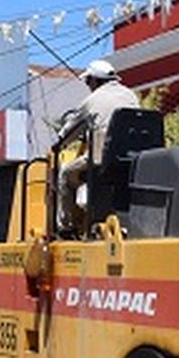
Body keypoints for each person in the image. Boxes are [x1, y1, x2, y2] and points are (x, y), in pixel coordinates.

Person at [56, 59, 139, 236]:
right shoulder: (131, 96)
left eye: (88, 81)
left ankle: (66, 227)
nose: (88, 85)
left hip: (102, 158)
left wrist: (58, 144)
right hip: (133, 159)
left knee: (65, 173)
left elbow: (68, 132)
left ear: (94, 80)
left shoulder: (91, 101)